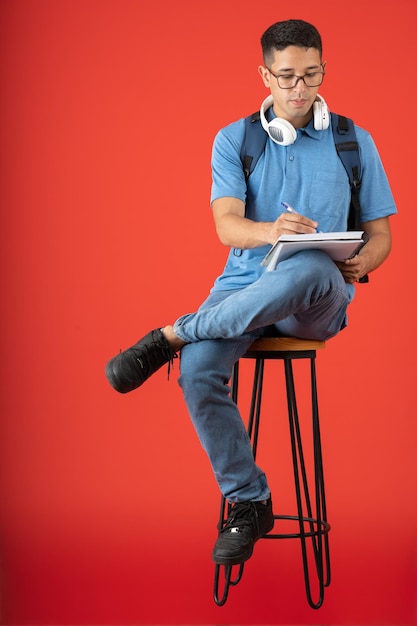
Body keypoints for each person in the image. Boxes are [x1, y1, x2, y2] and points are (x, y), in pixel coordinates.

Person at [105, 19, 396, 567]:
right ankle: (249, 501)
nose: (298, 89)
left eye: (310, 75)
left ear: (323, 71)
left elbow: (382, 235)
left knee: (309, 264)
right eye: (285, 76)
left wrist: (363, 261)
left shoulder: (353, 141)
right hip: (243, 289)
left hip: (315, 298)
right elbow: (227, 227)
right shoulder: (235, 140)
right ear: (265, 75)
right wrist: (271, 232)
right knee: (196, 371)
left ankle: (171, 333)